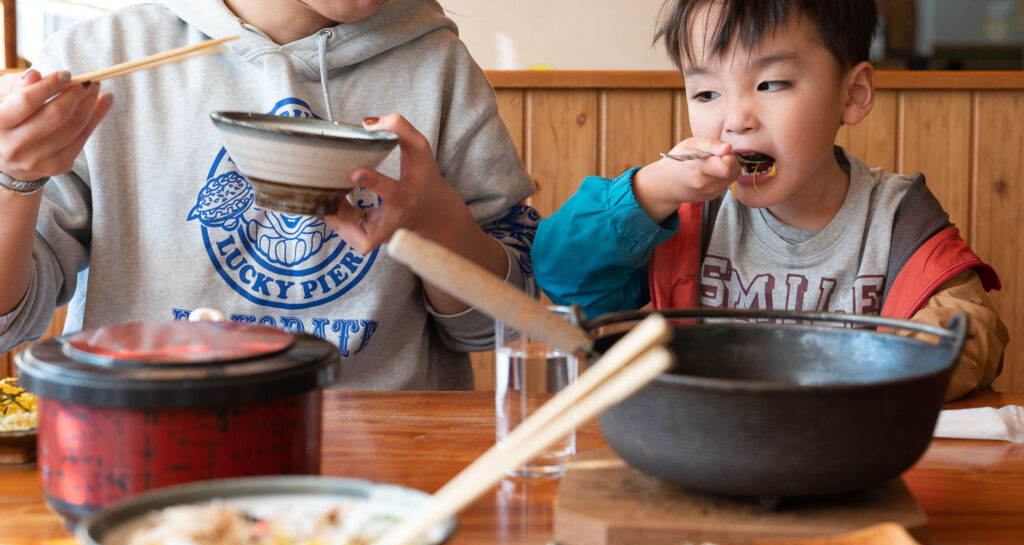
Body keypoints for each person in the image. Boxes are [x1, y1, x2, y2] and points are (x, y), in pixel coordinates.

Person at [0, 0, 538, 390]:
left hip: (381, 467)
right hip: (140, 440)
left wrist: (438, 226)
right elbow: (9, 323)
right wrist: (13, 180)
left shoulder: (440, 65)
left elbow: (502, 323)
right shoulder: (97, 60)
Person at [531, 0, 1008, 400]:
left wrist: (867, 374)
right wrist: (650, 191)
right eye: (706, 93)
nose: (735, 119)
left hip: (847, 455)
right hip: (701, 449)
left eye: (771, 84)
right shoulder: (682, 216)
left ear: (853, 94)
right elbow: (560, 273)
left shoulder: (899, 218)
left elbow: (970, 333)